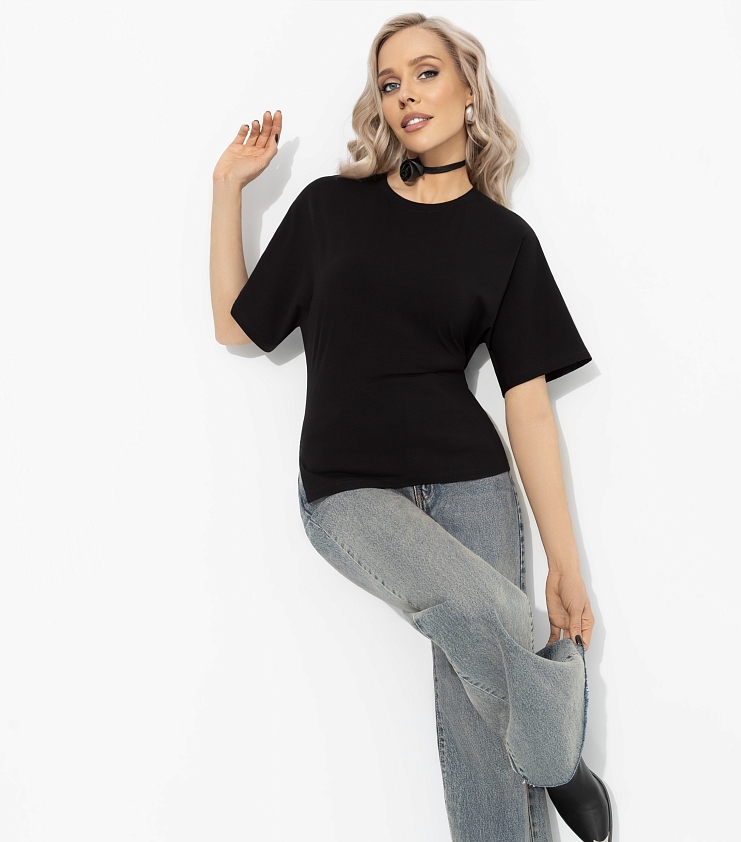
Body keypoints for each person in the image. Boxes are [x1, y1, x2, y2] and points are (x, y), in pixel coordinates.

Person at [209, 12, 613, 842]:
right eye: (390, 83)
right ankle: (559, 756)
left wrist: (565, 563)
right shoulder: (330, 208)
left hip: (475, 485)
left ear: (468, 92)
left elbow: (528, 405)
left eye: (426, 73)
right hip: (347, 489)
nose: (405, 95)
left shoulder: (504, 240)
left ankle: (540, 749)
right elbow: (235, 327)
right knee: (498, 621)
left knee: (476, 711)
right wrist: (227, 190)